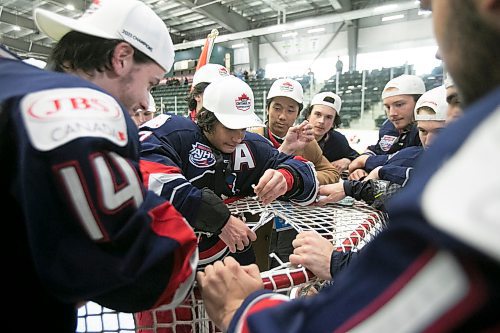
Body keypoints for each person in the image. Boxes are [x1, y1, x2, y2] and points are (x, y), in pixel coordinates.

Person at [196, 0, 500, 331]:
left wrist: (241, 313)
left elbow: (314, 176)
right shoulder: (210, 139)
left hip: (261, 250)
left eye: (433, 6)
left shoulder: (479, 155)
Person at [0, 0, 199, 331]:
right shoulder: (86, 107)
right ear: (121, 58)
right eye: (150, 83)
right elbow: (134, 259)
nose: (144, 102)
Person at [139, 75, 319, 266]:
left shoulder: (253, 146)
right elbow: (143, 173)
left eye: (242, 127)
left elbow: (308, 175)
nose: (238, 137)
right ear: (207, 117)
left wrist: (287, 177)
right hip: (166, 259)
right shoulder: (174, 133)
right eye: (230, 127)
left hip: (229, 256)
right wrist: (219, 219)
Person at [250, 78, 339, 268]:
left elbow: (330, 171)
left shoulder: (306, 141)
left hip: (291, 225)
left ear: (298, 114)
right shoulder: (252, 138)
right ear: (267, 108)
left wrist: (303, 179)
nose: (282, 116)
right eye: (277, 108)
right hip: (256, 225)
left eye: (290, 110)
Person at [348, 74, 425, 180]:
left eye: (399, 105)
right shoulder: (388, 126)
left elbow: (418, 158)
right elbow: (378, 150)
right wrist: (362, 169)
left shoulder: (430, 130)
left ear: (420, 102)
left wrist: (367, 161)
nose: (392, 113)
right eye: (387, 107)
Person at [303, 91, 360, 174]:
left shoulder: (338, 140)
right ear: (308, 115)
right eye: (318, 114)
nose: (322, 121)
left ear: (334, 122)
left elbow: (356, 156)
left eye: (329, 117)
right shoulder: (294, 137)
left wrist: (347, 160)